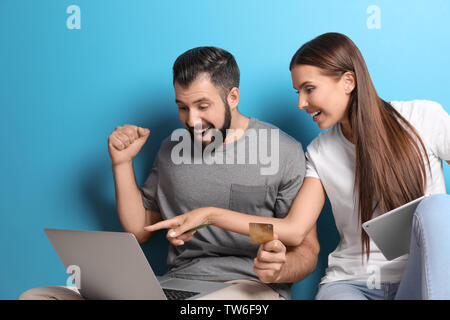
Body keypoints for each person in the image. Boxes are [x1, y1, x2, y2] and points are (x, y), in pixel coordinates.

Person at [146, 33, 450, 300]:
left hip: (420, 278)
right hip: (351, 284)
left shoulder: (423, 117)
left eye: (309, 89)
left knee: (437, 209)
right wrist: (212, 216)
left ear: (348, 82)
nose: (301, 104)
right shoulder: (319, 152)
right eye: (297, 93)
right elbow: (292, 231)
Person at [18, 46, 319, 300]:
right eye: (183, 108)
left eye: (203, 106)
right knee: (40, 297)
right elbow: (140, 229)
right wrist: (121, 164)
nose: (193, 120)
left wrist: (279, 269)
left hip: (247, 288)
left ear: (233, 97)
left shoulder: (280, 150)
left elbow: (304, 246)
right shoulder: (172, 149)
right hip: (174, 285)